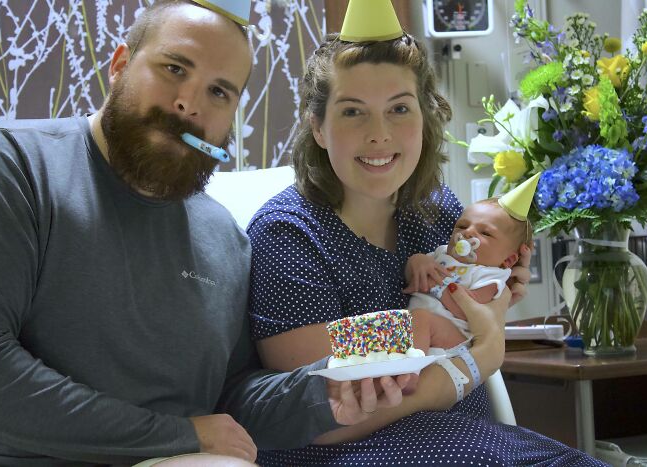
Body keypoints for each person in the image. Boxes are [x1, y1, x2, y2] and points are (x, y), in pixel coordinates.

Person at [0, 1, 410, 466]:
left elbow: (232, 400)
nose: (190, 104)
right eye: (174, 68)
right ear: (120, 65)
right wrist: (175, 437)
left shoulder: (224, 237)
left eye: (220, 92)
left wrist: (323, 392)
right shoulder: (5, 168)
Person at [245, 0, 607, 464]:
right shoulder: (287, 235)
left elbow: (477, 320)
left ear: (426, 115)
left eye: (399, 108)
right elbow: (316, 401)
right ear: (317, 127)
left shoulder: (438, 214)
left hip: (467, 431)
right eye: (353, 112)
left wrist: (494, 289)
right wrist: (451, 347)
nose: (379, 134)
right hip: (357, 450)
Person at [406, 197, 534, 350]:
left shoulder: (491, 277)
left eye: (485, 233)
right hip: (417, 328)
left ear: (508, 260)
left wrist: (435, 285)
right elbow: (411, 278)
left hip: (457, 337)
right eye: (461, 225)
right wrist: (417, 261)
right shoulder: (440, 254)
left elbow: (468, 311)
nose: (467, 232)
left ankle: (408, 372)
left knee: (421, 319)